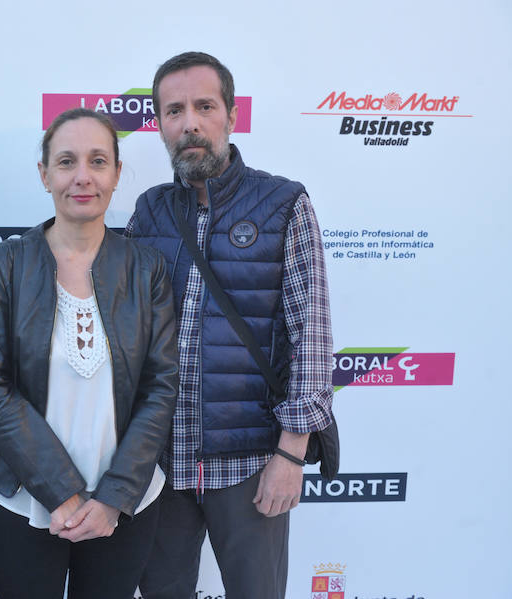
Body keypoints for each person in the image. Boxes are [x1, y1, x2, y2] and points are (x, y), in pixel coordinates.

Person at [126, 51, 334, 599]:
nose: (189, 122)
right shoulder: (148, 212)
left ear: (231, 115)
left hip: (251, 463)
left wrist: (292, 454)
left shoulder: (283, 203)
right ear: (161, 125)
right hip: (161, 467)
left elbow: (310, 334)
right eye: (174, 111)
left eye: (203, 106)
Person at [0, 108, 179, 599]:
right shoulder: (3, 265)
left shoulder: (147, 270)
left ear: (117, 174)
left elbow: (161, 388)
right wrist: (61, 491)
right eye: (66, 162)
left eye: (98, 161)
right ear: (44, 175)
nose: (82, 177)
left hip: (123, 507)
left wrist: (113, 497)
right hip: (24, 504)